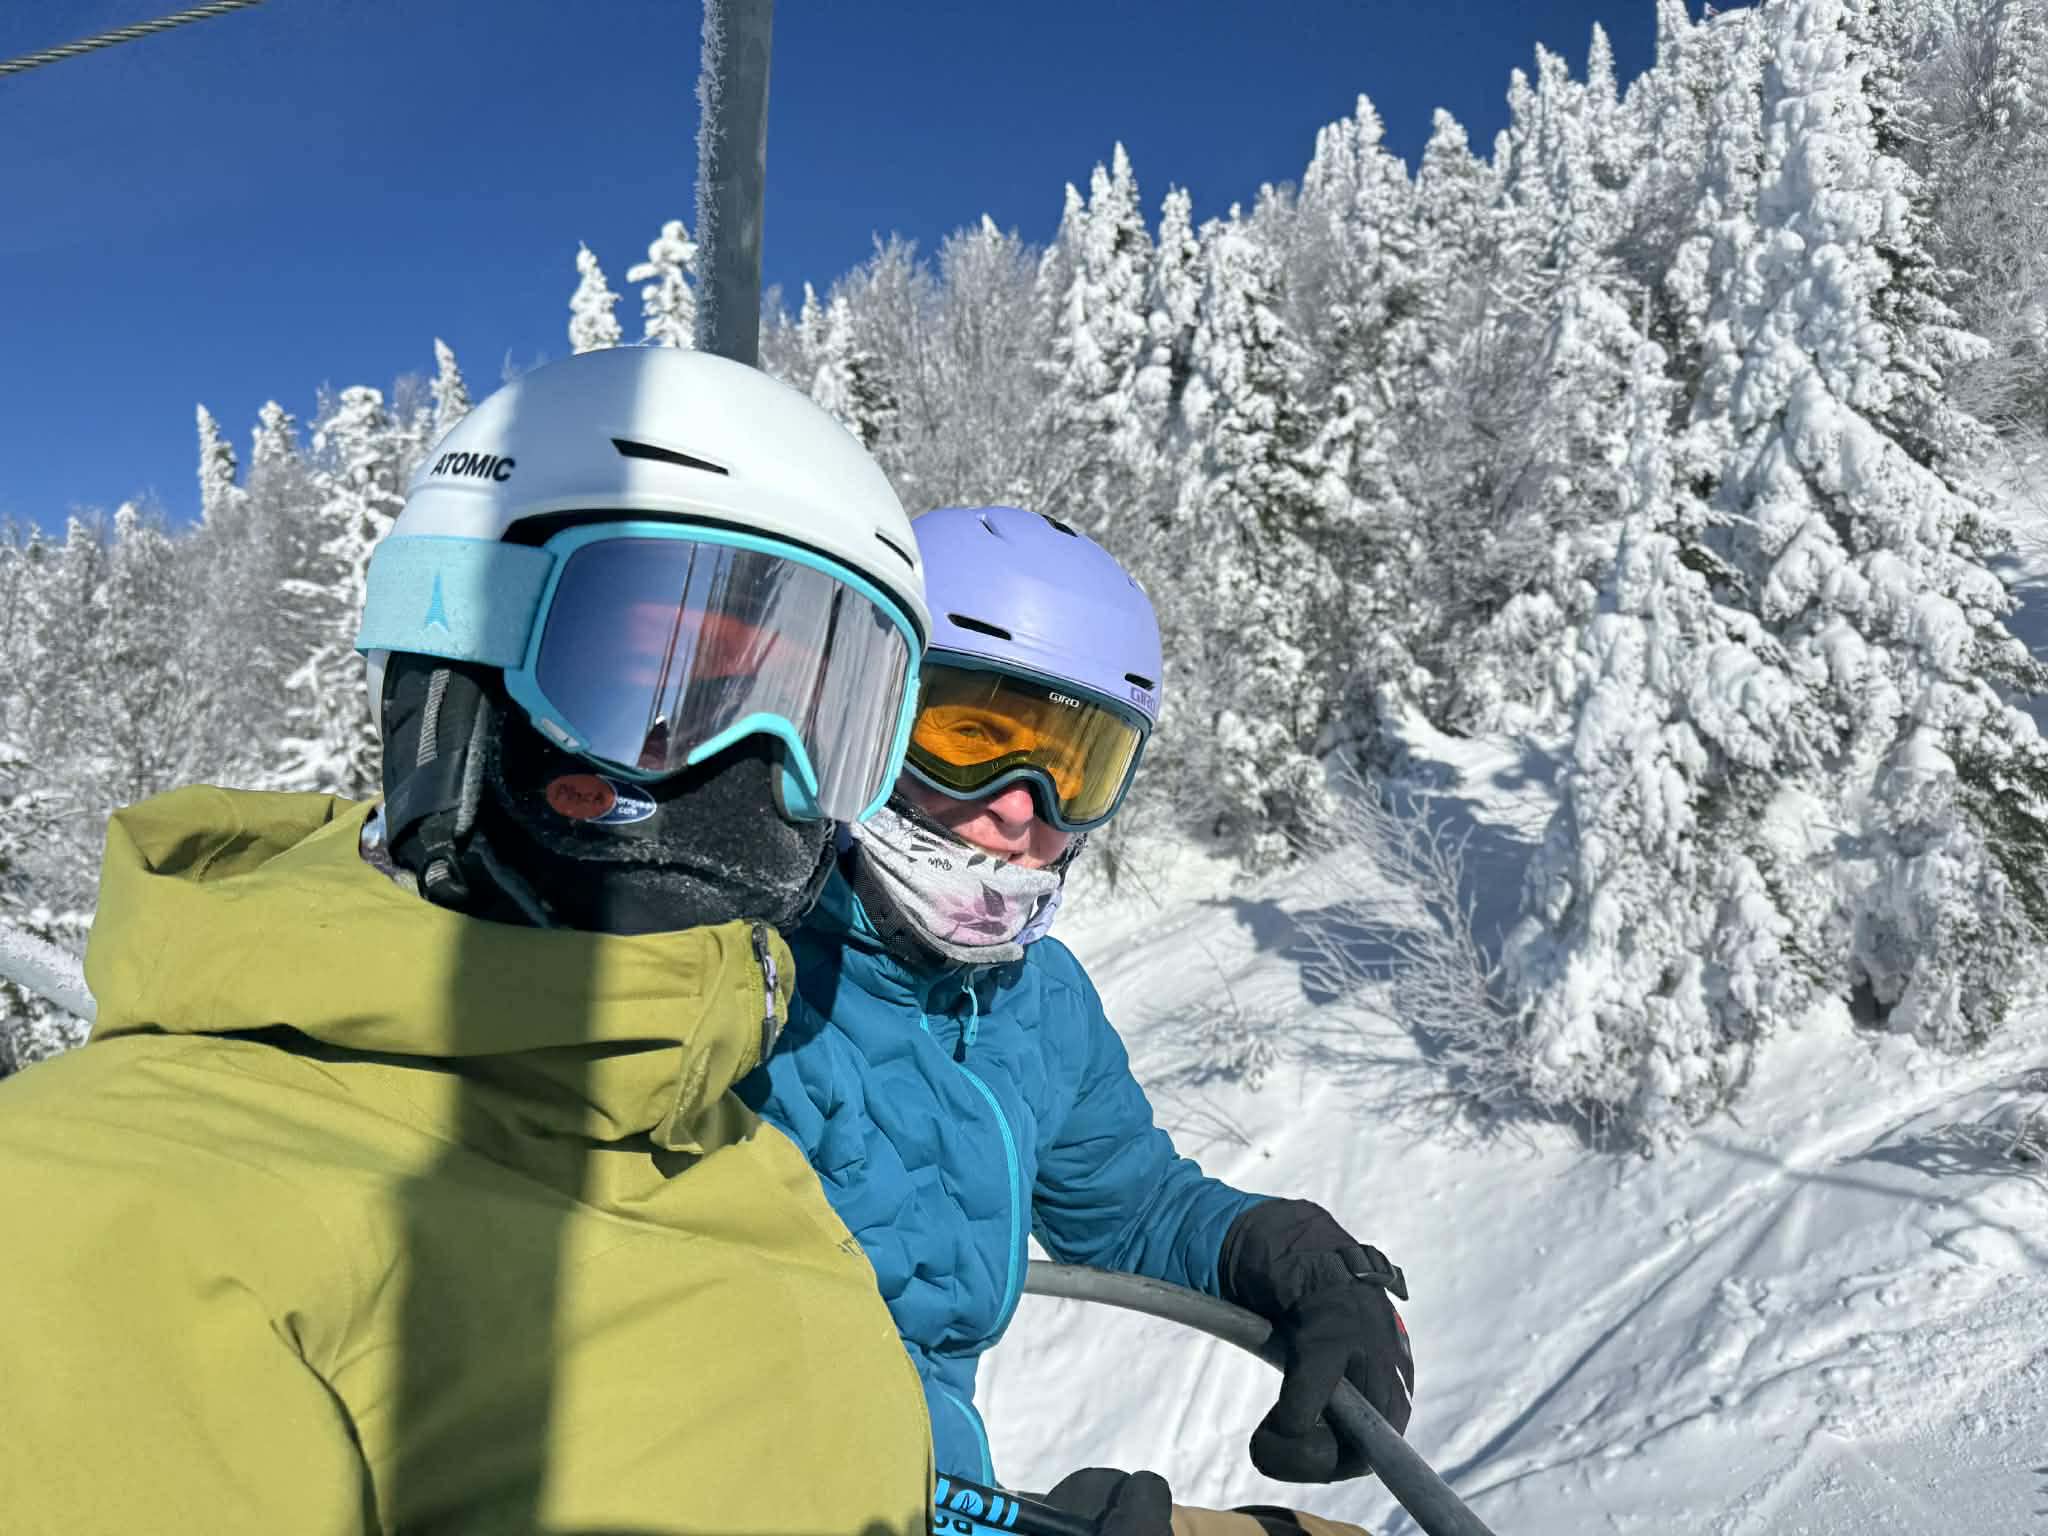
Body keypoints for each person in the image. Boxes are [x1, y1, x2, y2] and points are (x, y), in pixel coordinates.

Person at [0, 347, 940, 1535]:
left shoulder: (706, 1128)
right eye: (652, 681)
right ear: (451, 670)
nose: (753, 771)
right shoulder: (97, 1217)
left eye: (824, 718)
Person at [739, 506, 1415, 1534]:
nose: (1025, 810)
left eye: (1074, 766)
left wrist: (1271, 1252)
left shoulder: (1035, 1001)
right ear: (866, 720)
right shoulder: (745, 986)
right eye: (972, 738)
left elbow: (1127, 1207)